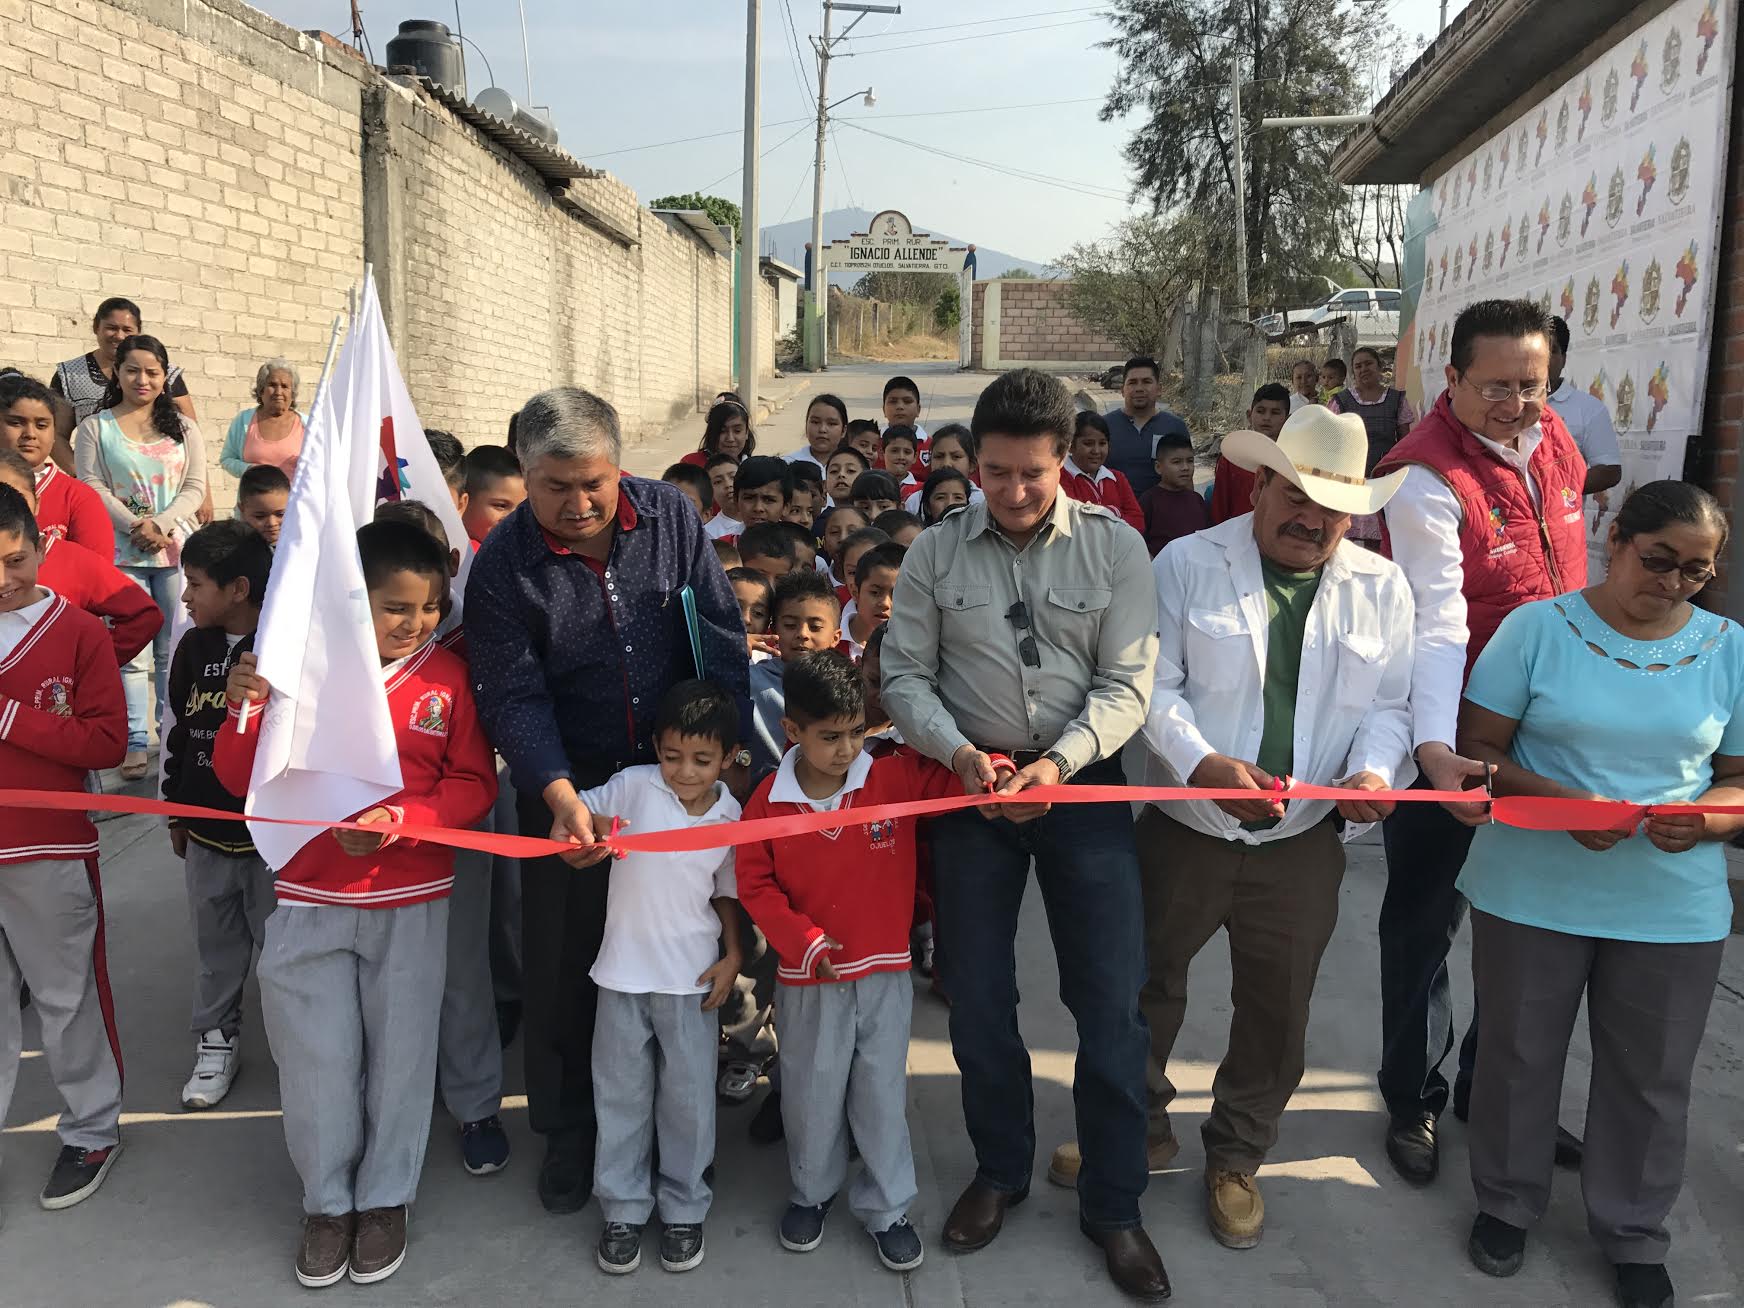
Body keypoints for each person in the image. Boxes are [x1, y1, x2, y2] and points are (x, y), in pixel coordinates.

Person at [1089, 406, 1415, 1253]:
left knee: (1278, 1007)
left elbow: (1392, 706)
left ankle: (1235, 1157)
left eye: (1334, 509)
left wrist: (1376, 774)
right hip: (1186, 822)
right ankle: (1135, 1129)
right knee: (1143, 989)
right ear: (1260, 484)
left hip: (1303, 836)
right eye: (1297, 496)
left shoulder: (1382, 587)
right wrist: (1201, 766)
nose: (1312, 521)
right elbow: (1152, 688)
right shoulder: (1187, 564)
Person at [882, 368, 1169, 1301]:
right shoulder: (933, 553)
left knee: (1111, 1005)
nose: (1009, 493)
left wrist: (1063, 765)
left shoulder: (1117, 549)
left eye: (1030, 474)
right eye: (993, 473)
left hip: (1080, 789)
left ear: (1064, 463)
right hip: (973, 792)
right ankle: (999, 1170)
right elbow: (906, 677)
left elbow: (1128, 685)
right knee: (977, 1000)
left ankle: (1115, 1206)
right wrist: (962, 755)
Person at [463, 387, 750, 1216]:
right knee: (566, 965)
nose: (580, 504)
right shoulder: (504, 564)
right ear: (524, 473)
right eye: (556, 486)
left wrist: (723, 759)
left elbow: (720, 634)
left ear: (619, 464)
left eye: (596, 482)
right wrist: (559, 796)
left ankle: (679, 1128)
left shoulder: (668, 519)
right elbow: (511, 693)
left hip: (681, 783)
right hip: (572, 792)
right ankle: (570, 1131)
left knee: (682, 948)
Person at [1455, 482, 1739, 1308]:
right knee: (1517, 1054)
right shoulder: (1537, 630)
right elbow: (1479, 750)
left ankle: (1633, 1230)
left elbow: (1738, 781)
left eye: (1697, 571)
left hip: (1671, 902)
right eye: (1659, 561)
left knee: (1652, 1077)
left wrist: (1710, 822)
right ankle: (1507, 1202)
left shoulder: (1730, 650)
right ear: (1617, 538)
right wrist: (1557, 802)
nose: (1675, 583)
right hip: (1533, 884)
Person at [216, 520, 497, 1287]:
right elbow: (236, 772)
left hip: (411, 895)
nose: (417, 624)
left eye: (432, 606)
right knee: (317, 1060)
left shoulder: (447, 680)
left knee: (402, 1057)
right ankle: (326, 1201)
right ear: (352, 601)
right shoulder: (298, 671)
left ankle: (384, 1199)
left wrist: (405, 822)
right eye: (396, 607)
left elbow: (475, 784)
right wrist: (244, 703)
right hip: (307, 895)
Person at [1370, 298, 1588, 1186]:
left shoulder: (1555, 440)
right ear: (1450, 380)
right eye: (1495, 387)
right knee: (1426, 923)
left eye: (1531, 387)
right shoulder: (1425, 479)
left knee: (1526, 926)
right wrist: (1435, 749)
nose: (1515, 405)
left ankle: (1492, 1092)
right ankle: (1413, 1094)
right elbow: (1437, 624)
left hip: (1550, 737)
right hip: (1451, 730)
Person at [736, 650, 960, 1273]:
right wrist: (801, 939)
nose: (846, 748)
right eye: (829, 737)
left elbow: (955, 779)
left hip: (885, 972)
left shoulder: (892, 776)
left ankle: (888, 1208)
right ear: (792, 731)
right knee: (810, 1092)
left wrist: (988, 766)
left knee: (881, 1093)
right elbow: (755, 884)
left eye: (856, 732)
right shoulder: (768, 804)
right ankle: (812, 1193)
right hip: (811, 979)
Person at [561, 680, 745, 1277]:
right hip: (620, 978)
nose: (684, 772)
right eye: (672, 756)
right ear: (656, 749)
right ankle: (621, 1209)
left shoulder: (730, 814)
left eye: (701, 759)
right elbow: (575, 815)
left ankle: (685, 1207)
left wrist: (733, 956)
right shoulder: (631, 786)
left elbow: (727, 893)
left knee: (689, 1103)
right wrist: (571, 832)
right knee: (621, 1099)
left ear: (728, 757)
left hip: (693, 982)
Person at [0, 484, 128, 1217]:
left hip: (46, 848)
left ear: (40, 548)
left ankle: (91, 1128)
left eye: (15, 560)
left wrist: (12, 717)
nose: (3, 580)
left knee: (64, 994)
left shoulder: (77, 632)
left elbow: (107, 741)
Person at [160, 520, 274, 1111]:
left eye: (196, 584)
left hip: (271, 843)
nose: (185, 597)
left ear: (237, 589)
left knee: (280, 953)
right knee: (216, 949)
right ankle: (216, 1039)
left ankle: (294, 1045)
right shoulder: (192, 647)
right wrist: (177, 811)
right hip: (204, 833)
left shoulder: (283, 650)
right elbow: (181, 732)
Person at [74, 334, 208, 780]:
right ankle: (134, 741)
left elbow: (194, 487)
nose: (142, 379)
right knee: (131, 653)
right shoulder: (96, 427)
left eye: (152, 371)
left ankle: (170, 732)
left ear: (163, 376)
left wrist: (163, 523)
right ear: (118, 373)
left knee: (174, 647)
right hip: (120, 552)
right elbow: (91, 484)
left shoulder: (184, 429)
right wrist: (136, 525)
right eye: (133, 370)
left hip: (174, 552)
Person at [0, 450, 161, 666]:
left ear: (37, 503)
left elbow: (143, 615)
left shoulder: (73, 559)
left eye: (15, 497)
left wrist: (86, 665)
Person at [749, 568, 843, 781]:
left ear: (836, 637)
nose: (802, 634)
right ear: (774, 629)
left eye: (815, 627)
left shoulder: (847, 684)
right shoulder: (750, 680)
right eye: (790, 625)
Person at [0, 375, 111, 552]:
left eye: (42, 425)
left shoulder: (79, 497)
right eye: (16, 423)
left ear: (54, 433)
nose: (30, 433)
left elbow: (96, 572)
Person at [52, 297, 196, 427]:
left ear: (138, 331)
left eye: (127, 330)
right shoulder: (69, 375)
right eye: (111, 328)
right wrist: (79, 458)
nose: (120, 336)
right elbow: (57, 435)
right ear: (96, 327)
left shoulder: (166, 373)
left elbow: (189, 429)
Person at [1330, 347, 1418, 545]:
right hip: (1350, 482)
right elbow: (1332, 443)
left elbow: (1405, 443)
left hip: (1385, 483)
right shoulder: (1341, 402)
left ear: (1380, 367)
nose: (1363, 369)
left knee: (1382, 541)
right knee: (1346, 539)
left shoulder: (1396, 400)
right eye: (1358, 366)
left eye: (1368, 363)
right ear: (1353, 372)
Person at [1547, 315, 1623, 500]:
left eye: (1552, 351)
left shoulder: (1588, 408)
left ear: (1563, 359)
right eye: (1537, 351)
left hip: (1559, 524)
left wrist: (1556, 493)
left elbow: (1609, 470)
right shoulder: (1503, 403)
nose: (1544, 358)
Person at [1104, 356, 1190, 498]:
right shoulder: (1105, 426)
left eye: (1146, 382)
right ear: (1122, 390)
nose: (1139, 388)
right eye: (1132, 383)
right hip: (1113, 513)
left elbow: (1186, 479)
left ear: (1159, 389)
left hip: (1163, 513)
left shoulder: (1175, 427)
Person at [1211, 384, 1291, 526]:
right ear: (1249, 415)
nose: (1267, 418)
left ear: (1287, 419)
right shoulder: (1232, 458)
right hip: (1236, 535)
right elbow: (1219, 507)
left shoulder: (1292, 460)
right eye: (1261, 411)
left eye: (1275, 412)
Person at [218, 359, 304, 479]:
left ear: (292, 393)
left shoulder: (307, 425)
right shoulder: (244, 420)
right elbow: (226, 459)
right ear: (261, 390)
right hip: (252, 496)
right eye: (272, 385)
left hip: (294, 497)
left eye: (285, 386)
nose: (278, 392)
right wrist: (249, 469)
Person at [1062, 412, 1145, 533]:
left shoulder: (1117, 478)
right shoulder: (1062, 477)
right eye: (1088, 444)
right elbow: (1076, 523)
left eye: (1102, 443)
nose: (1096, 451)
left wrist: (1095, 515)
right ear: (1070, 445)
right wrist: (1116, 512)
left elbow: (1138, 522)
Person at [1139, 432, 1208, 557]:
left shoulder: (1196, 499)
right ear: (1158, 467)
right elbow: (1139, 541)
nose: (1185, 467)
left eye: (1190, 461)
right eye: (1176, 462)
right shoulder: (1149, 500)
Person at [841, 540, 902, 660]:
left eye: (897, 595)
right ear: (855, 592)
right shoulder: (830, 641)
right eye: (875, 593)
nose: (885, 603)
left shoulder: (913, 650)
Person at [903, 424, 983, 516]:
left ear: (972, 464)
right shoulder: (915, 501)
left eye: (956, 457)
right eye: (939, 456)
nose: (946, 464)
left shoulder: (982, 501)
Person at [460, 445, 526, 547]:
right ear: (463, 503)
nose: (514, 518)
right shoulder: (461, 555)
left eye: (522, 508)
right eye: (501, 506)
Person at [680, 398, 755, 468]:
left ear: (746, 433)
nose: (730, 439)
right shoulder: (691, 465)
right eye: (722, 431)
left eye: (737, 431)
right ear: (711, 433)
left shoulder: (755, 469)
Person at [728, 566, 778, 661]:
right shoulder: (702, 642)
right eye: (736, 608)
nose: (746, 619)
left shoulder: (765, 658)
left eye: (758, 613)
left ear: (768, 622)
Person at [786, 394, 849, 467]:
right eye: (815, 422)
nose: (822, 429)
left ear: (843, 431)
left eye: (831, 424)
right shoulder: (788, 464)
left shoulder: (854, 467)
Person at [235, 464, 290, 547]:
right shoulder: (232, 552)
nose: (272, 523)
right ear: (242, 510)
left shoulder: (304, 546)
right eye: (260, 516)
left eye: (280, 514)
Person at [881, 376, 929, 456]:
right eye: (893, 402)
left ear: (918, 409)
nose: (900, 406)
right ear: (884, 409)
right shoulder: (872, 444)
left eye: (907, 401)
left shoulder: (931, 446)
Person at [704, 453, 743, 539]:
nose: (728, 484)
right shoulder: (708, 534)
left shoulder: (761, 518)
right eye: (718, 481)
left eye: (733, 477)